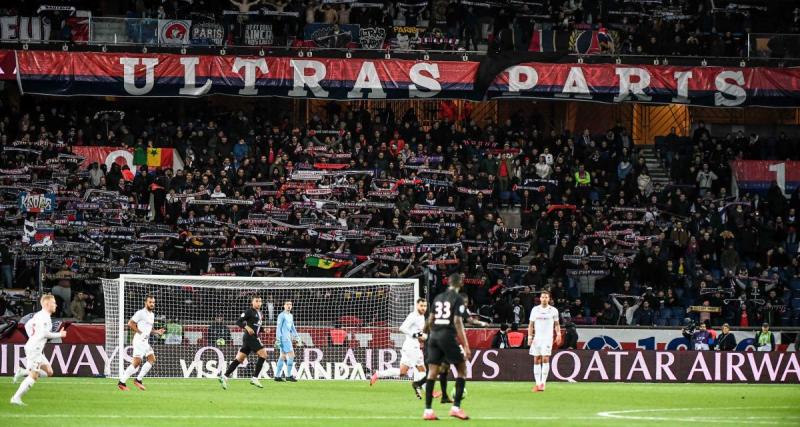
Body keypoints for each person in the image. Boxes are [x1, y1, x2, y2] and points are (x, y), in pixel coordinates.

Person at [422, 273, 470, 420]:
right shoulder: (458, 299)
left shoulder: (438, 298)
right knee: (462, 370)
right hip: (447, 336)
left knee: (432, 373)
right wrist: (466, 345)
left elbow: (430, 319)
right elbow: (457, 321)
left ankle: (428, 411)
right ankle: (455, 408)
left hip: (434, 336)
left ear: (447, 283)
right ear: (460, 284)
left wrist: (425, 333)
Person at [10, 294, 67, 405]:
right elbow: (44, 333)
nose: (56, 304)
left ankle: (23, 371)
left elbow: (27, 325)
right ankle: (16, 398)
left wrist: (32, 337)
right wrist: (59, 334)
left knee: (49, 372)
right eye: (53, 302)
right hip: (34, 349)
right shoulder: (44, 317)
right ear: (46, 304)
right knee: (34, 376)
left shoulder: (39, 315)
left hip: (36, 348)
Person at [370, 298, 428, 399]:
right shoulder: (413, 316)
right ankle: (427, 391)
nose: (423, 308)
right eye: (421, 306)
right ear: (417, 305)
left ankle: (378, 374)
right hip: (412, 347)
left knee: (402, 372)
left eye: (425, 306)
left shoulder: (421, 317)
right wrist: (414, 335)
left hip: (409, 346)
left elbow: (419, 333)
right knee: (421, 369)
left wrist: (423, 337)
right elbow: (402, 328)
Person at [218, 295, 269, 389]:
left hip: (250, 338)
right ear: (252, 302)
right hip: (250, 338)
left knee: (240, 359)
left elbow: (256, 327)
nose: (258, 303)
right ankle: (255, 378)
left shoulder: (260, 313)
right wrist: (246, 327)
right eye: (256, 301)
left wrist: (263, 329)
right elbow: (238, 322)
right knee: (264, 355)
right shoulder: (249, 311)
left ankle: (224, 376)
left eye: (260, 301)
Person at [117, 295, 165, 391]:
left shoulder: (152, 315)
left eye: (153, 302)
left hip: (145, 341)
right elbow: (130, 323)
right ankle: (122, 382)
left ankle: (138, 380)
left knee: (152, 359)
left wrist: (157, 331)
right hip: (139, 340)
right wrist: (140, 332)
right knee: (136, 363)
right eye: (150, 302)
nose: (152, 304)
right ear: (145, 303)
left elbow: (148, 329)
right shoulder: (140, 313)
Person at [528, 290, 561, 392]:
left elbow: (556, 324)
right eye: (543, 297)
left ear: (549, 299)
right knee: (536, 359)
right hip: (537, 338)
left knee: (545, 359)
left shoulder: (553, 310)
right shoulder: (535, 310)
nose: (544, 299)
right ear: (540, 298)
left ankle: (543, 383)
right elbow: (531, 324)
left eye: (546, 297)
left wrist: (558, 334)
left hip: (547, 338)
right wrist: (529, 337)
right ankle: (537, 384)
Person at [275, 300, 301, 382]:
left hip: (287, 338)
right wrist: (278, 339)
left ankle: (277, 376)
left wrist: (297, 337)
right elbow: (278, 328)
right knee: (292, 355)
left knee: (282, 356)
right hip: (284, 338)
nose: (289, 306)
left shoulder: (290, 316)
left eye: (290, 304)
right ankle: (289, 375)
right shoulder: (281, 315)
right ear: (284, 306)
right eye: (287, 304)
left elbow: (292, 328)